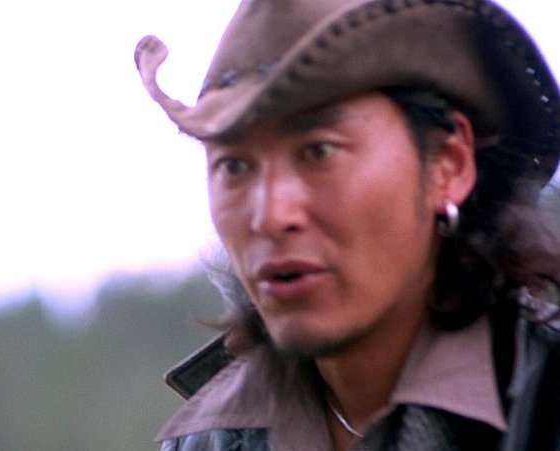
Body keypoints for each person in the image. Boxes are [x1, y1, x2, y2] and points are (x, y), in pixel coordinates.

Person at [134, 1, 560, 450]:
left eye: (319, 152)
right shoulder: (209, 442)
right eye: (234, 166)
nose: (271, 216)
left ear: (447, 165)